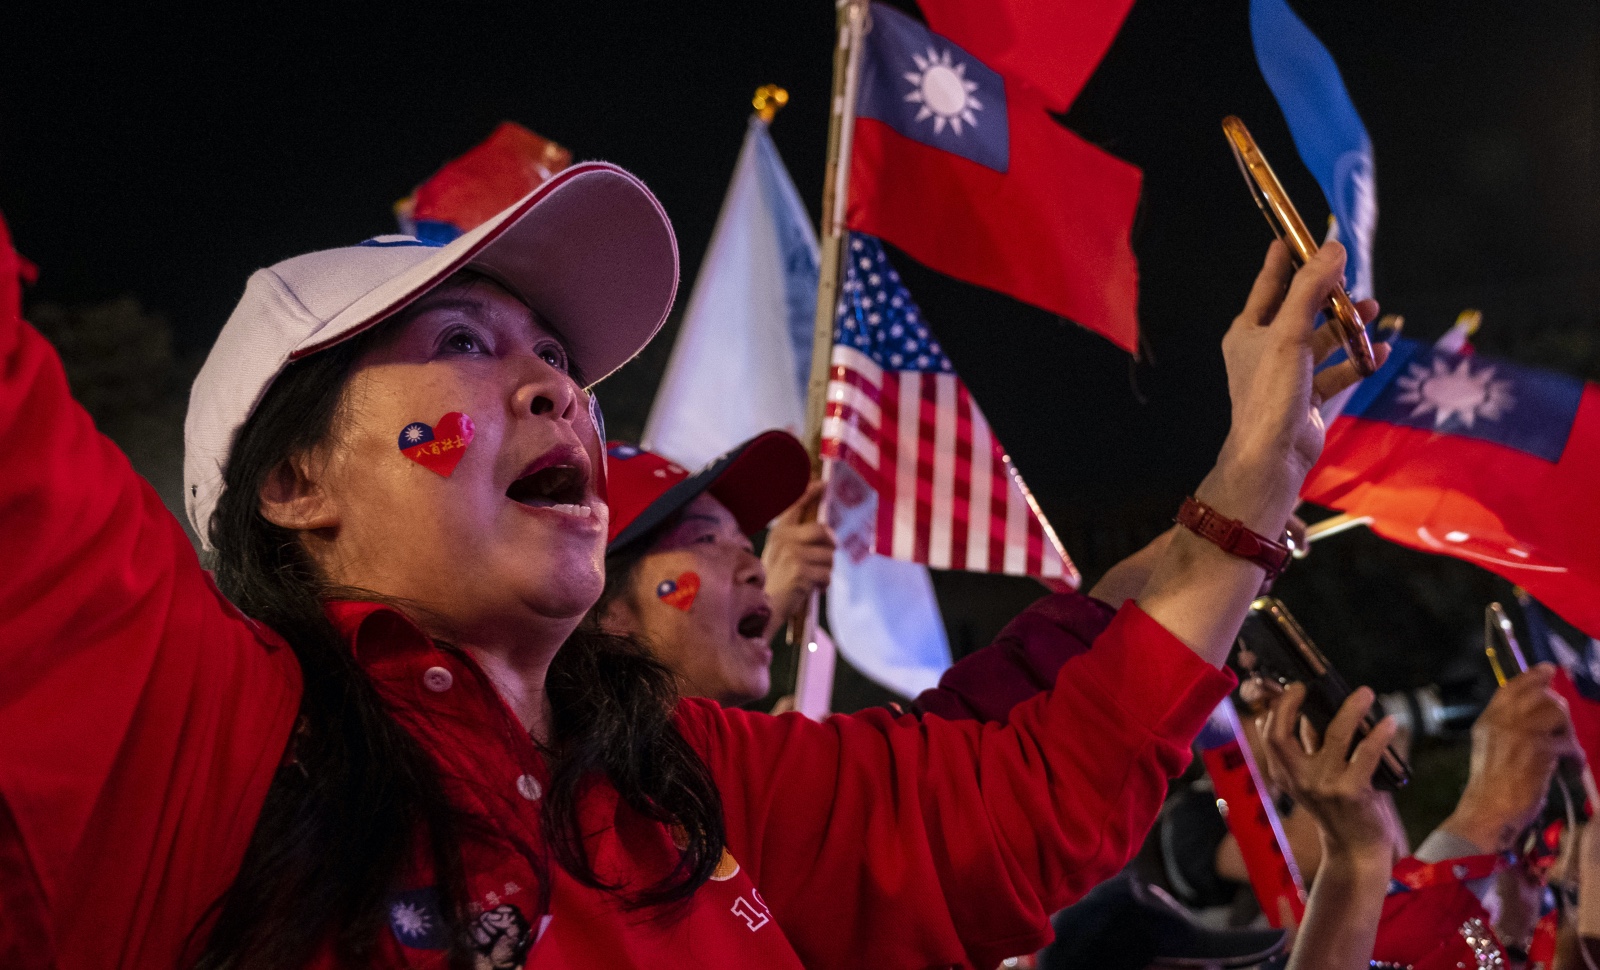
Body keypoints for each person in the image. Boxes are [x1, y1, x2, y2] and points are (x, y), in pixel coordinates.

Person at [0, 157, 1380, 969]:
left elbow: (1016, 783)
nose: (554, 386)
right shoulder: (188, 735)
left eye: (556, 356)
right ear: (292, 483)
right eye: (470, 345)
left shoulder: (686, 784)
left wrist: (1258, 465)